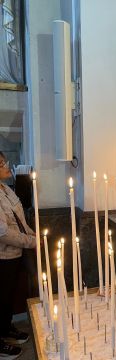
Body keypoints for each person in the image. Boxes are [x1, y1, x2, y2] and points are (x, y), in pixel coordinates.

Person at [0, 152, 36, 359]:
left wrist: (32, 234)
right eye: (1, 164)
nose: (7, 165)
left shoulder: (6, 189)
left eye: (4, 161)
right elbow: (3, 232)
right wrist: (30, 241)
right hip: (3, 256)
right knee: (1, 297)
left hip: (16, 253)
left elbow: (18, 219)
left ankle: (5, 329)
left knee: (8, 295)